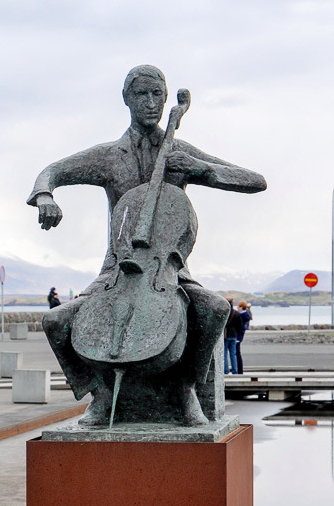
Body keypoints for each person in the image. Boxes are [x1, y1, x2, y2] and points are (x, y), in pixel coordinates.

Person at [27, 64, 267, 425]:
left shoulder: (178, 151)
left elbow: (255, 181)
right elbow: (53, 171)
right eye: (142, 94)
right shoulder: (108, 156)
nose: (151, 103)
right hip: (116, 270)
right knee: (55, 322)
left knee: (215, 309)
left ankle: (185, 390)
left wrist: (199, 168)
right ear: (126, 99)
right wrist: (45, 195)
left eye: (158, 94)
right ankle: (100, 394)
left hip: (167, 270)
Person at [223, 298, 242, 374]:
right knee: (233, 354)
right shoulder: (236, 313)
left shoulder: (224, 313)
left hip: (225, 335)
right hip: (234, 335)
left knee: (224, 354)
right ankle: (235, 370)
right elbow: (240, 326)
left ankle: (225, 370)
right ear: (233, 303)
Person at [236, 300, 253, 373]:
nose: (237, 308)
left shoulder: (242, 315)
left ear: (241, 307)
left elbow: (241, 327)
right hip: (239, 335)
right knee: (237, 353)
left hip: (238, 336)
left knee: (237, 353)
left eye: (238, 306)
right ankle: (239, 369)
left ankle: (239, 370)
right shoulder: (245, 315)